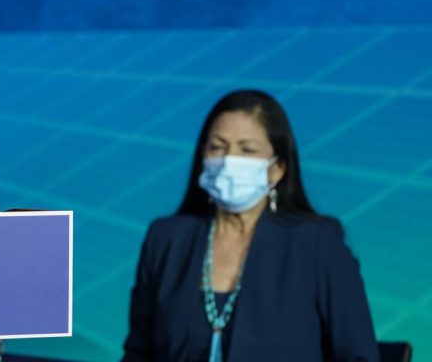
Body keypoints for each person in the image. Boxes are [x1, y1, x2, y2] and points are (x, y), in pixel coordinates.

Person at [121, 89, 378, 362]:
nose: (229, 161)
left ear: (277, 168)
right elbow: (139, 353)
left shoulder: (317, 244)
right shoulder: (166, 239)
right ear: (202, 157)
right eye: (218, 147)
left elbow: (359, 357)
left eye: (247, 150)